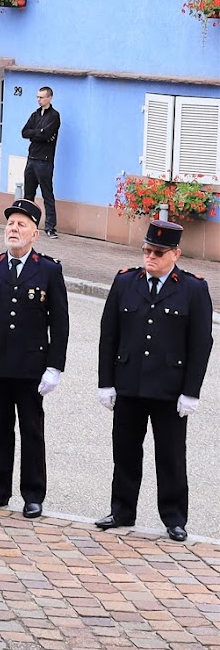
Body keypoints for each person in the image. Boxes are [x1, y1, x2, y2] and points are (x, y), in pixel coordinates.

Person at [96, 220, 212, 542]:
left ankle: (174, 518)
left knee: (171, 456)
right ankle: (121, 510)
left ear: (176, 253)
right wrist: (106, 382)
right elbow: (109, 335)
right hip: (129, 384)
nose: (151, 257)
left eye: (158, 253)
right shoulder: (125, 282)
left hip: (169, 390)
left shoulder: (193, 289)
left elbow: (201, 344)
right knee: (126, 452)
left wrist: (191, 391)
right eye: (147, 250)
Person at [0, 199, 69, 519]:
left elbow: (60, 322)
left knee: (31, 430)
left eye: (21, 224)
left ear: (34, 234)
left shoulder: (49, 270)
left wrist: (54, 366)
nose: (14, 229)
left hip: (30, 366)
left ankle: (33, 494)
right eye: (11, 223)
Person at [21, 86, 61, 239]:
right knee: (28, 195)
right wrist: (39, 133)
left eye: (42, 97)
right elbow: (25, 132)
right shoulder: (35, 115)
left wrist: (37, 134)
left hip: (44, 161)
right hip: (31, 159)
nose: (39, 100)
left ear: (49, 98)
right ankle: (27, 224)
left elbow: (48, 134)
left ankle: (50, 227)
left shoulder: (54, 116)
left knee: (47, 195)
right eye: (37, 97)